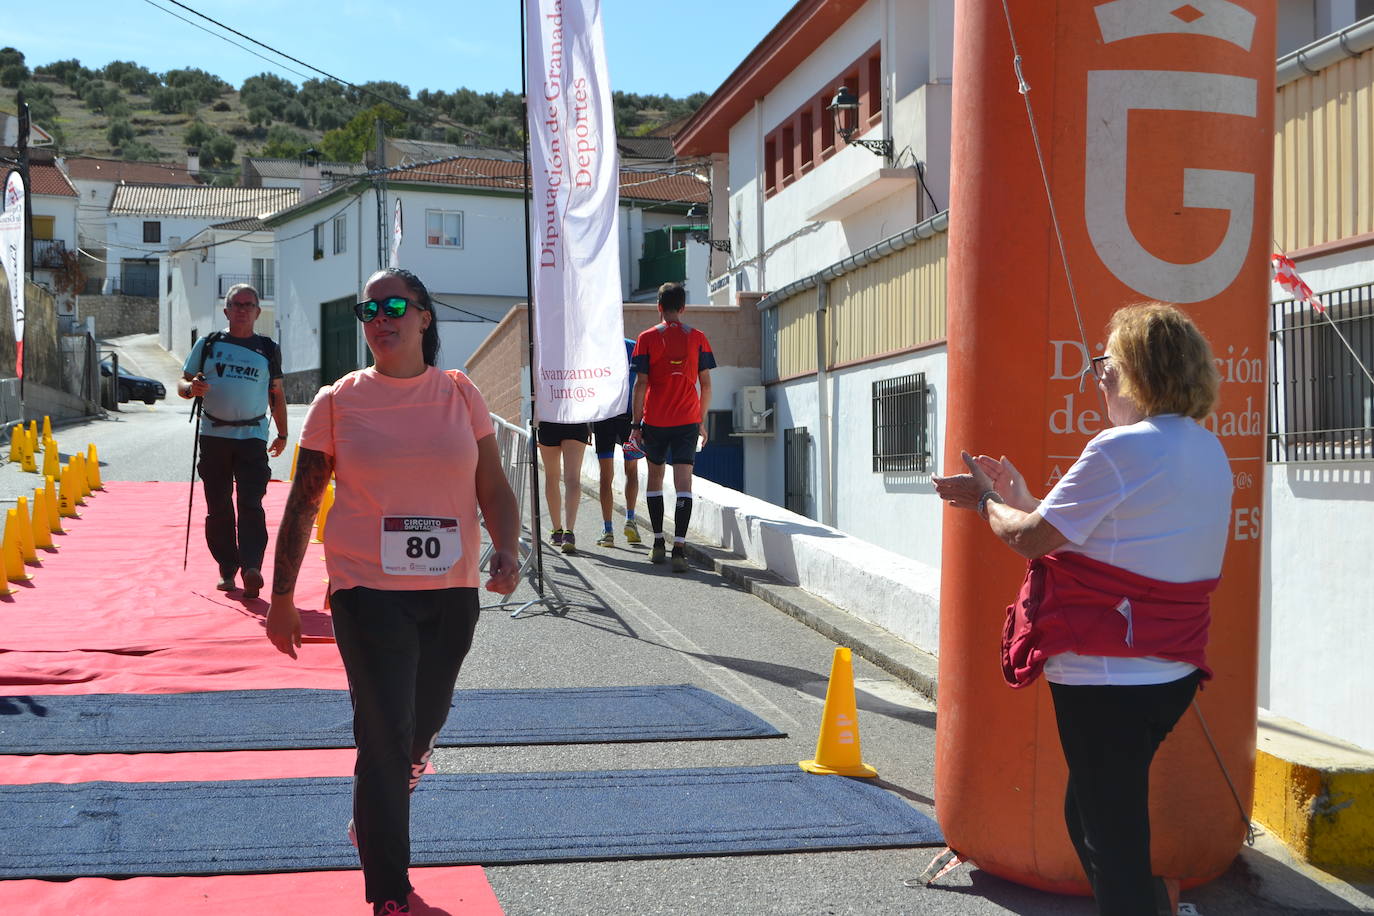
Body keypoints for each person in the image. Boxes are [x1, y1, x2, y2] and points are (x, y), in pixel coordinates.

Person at [932, 302, 1232, 916]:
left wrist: (990, 502)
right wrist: (1020, 498)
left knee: (1109, 836)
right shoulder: (1207, 451)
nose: (1098, 377)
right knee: (1093, 814)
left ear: (1137, 373)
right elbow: (1110, 535)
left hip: (1107, 675)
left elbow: (1031, 538)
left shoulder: (1121, 448)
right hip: (1168, 672)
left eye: (1106, 364)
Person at [264, 267, 519, 916]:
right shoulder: (338, 400)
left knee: (421, 726)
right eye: (368, 310)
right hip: (367, 591)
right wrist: (284, 595)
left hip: (452, 590)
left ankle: (383, 806)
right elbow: (304, 500)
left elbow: (492, 486)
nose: (380, 318)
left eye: (394, 305)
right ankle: (391, 893)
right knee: (382, 734)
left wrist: (509, 549)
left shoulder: (461, 395)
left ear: (425, 318)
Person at [178, 283, 287, 599]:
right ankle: (227, 567)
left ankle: (252, 566)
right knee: (219, 507)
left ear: (257, 311)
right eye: (236, 304)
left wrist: (282, 433)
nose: (241, 309)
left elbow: (276, 393)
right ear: (226, 311)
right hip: (214, 436)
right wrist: (189, 389)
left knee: (251, 503)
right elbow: (182, 381)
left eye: (248, 304)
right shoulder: (209, 343)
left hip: (252, 437)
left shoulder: (268, 348)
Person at [627, 282, 715, 573]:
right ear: (683, 307)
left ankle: (656, 543)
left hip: (655, 420)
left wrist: (636, 424)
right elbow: (707, 385)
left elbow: (640, 385)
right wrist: (701, 420)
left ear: (659, 307)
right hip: (688, 421)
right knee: (684, 484)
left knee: (655, 478)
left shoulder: (646, 338)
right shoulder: (699, 338)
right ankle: (679, 548)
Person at [592, 337, 644, 547]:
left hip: (604, 416)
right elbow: (643, 381)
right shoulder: (634, 346)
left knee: (606, 476)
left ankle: (608, 530)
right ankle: (630, 520)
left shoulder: (598, 346)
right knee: (631, 470)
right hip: (629, 418)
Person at [536, 419, 590, 554]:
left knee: (551, 477)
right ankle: (569, 533)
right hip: (576, 420)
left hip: (550, 420)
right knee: (572, 479)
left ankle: (557, 531)